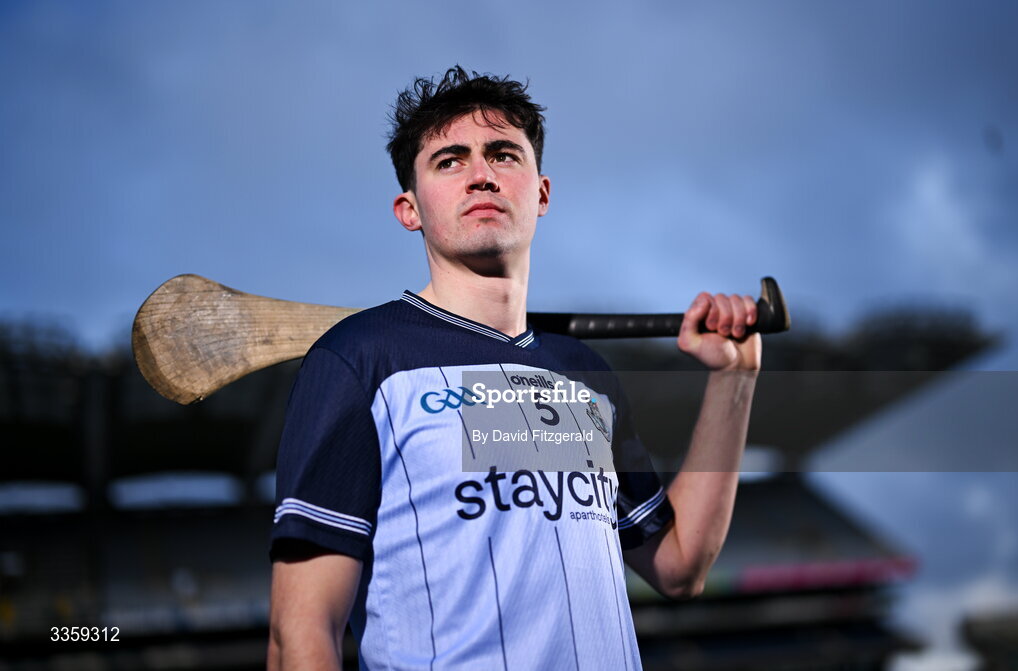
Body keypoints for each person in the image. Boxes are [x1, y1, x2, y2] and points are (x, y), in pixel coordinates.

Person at [266, 66, 760, 671]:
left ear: (542, 192)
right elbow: (301, 633)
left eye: (503, 155)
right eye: (449, 161)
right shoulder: (361, 359)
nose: (480, 175)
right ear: (408, 208)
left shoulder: (584, 374)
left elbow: (681, 566)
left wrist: (734, 380)